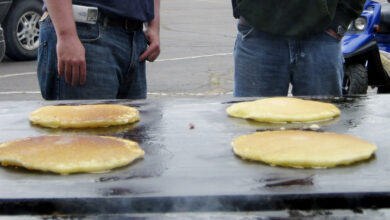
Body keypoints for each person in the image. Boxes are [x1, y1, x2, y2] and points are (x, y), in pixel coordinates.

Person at [231, 0, 365, 97]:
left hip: (321, 35)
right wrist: (243, 7)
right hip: (258, 31)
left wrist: (340, 21)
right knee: (254, 127)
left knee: (321, 130)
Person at [37, 0, 160, 100]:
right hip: (85, 31)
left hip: (134, 35)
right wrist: (67, 35)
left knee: (129, 128)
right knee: (85, 127)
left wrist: (154, 25)